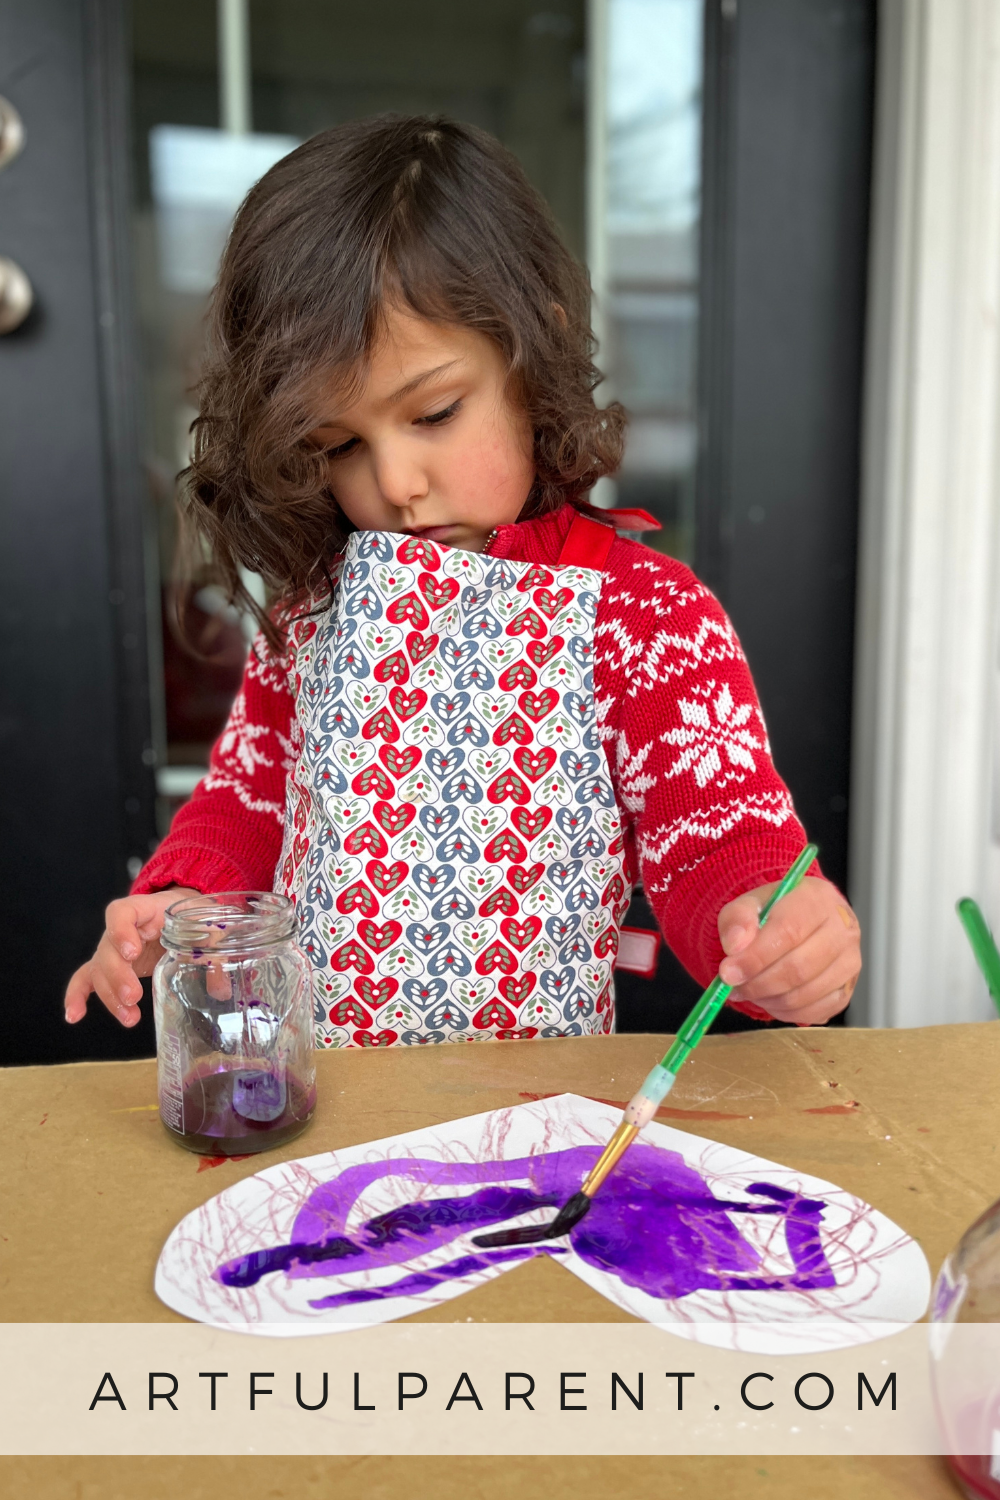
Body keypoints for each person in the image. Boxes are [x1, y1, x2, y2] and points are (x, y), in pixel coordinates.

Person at [64, 115, 861, 1047]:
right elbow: (248, 801)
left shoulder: (644, 618)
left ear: (535, 353)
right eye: (341, 445)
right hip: (321, 1101)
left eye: (435, 412)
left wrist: (774, 926)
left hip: (532, 1114)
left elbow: (717, 838)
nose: (395, 483)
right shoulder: (316, 614)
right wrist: (182, 903)